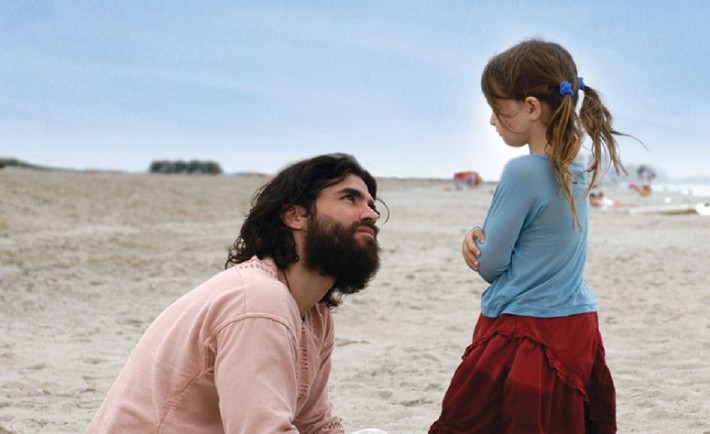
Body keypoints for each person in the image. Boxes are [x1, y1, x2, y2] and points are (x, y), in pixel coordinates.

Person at [86, 153, 387, 434]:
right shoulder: (259, 300)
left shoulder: (315, 314)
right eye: (349, 198)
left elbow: (313, 422)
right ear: (295, 216)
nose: (371, 214)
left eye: (372, 205)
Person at [429, 39, 623, 433]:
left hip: (525, 328)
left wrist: (473, 238)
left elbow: (491, 264)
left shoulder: (522, 172)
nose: (492, 121)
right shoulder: (578, 166)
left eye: (498, 108)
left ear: (532, 108)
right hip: (577, 324)